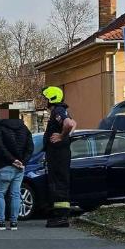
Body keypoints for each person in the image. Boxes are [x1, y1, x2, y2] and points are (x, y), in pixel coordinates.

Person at [0, 105, 33, 231]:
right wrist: (23, 161)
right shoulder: (24, 128)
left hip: (4, 166)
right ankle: (14, 223)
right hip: (20, 168)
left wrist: (12, 160)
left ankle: (0, 222)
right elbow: (30, 147)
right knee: (15, 194)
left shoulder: (0, 127)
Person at [42, 86, 77, 228]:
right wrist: (66, 135)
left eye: (46, 98)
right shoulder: (62, 110)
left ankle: (61, 217)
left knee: (59, 184)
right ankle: (58, 216)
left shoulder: (58, 110)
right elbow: (73, 123)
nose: (45, 101)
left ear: (52, 98)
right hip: (59, 155)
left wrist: (62, 136)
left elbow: (69, 124)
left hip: (58, 156)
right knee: (58, 183)